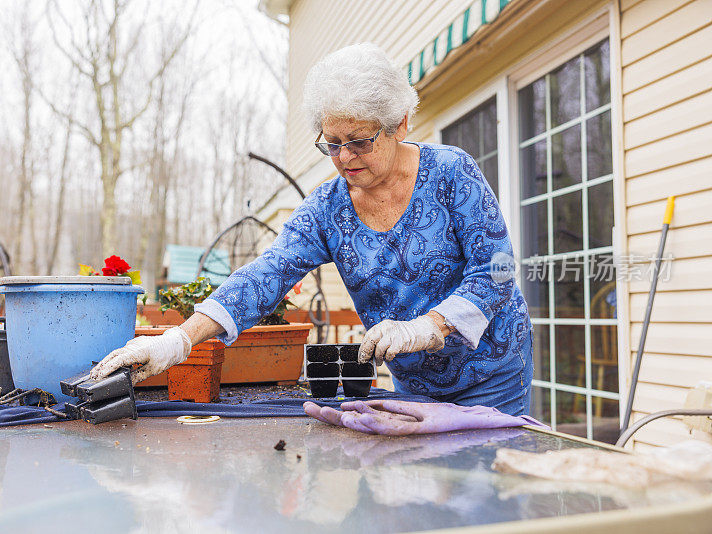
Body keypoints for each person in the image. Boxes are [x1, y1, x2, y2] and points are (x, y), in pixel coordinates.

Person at [92, 43, 533, 417]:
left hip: (491, 375)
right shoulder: (328, 208)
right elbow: (267, 273)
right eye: (331, 144)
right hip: (413, 384)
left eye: (358, 141)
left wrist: (429, 326)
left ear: (399, 124)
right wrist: (178, 340)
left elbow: (496, 270)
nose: (343, 157)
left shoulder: (452, 172)